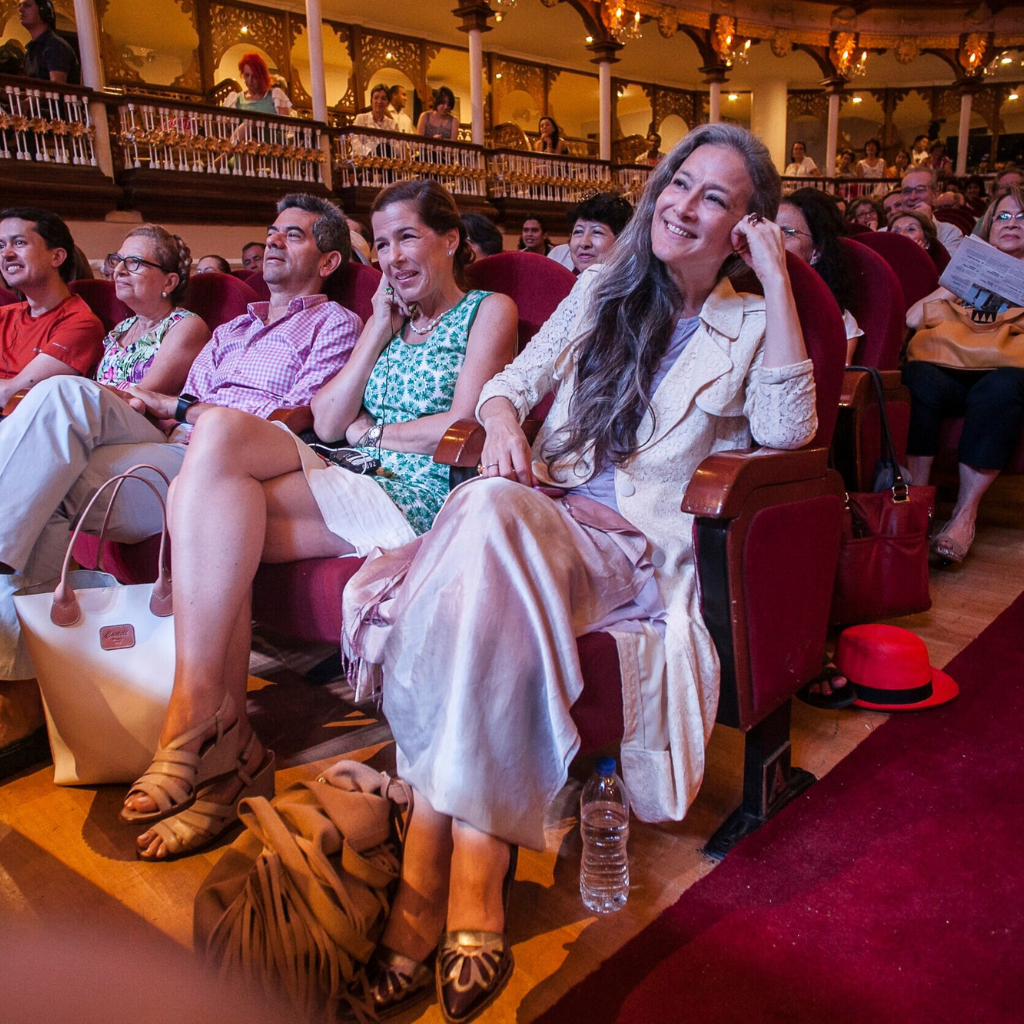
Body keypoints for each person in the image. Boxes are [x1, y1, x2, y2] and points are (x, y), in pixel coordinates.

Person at [338, 123, 817, 1023]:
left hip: (628, 548)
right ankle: (470, 885)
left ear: (743, 227)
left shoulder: (750, 321)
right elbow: (509, 383)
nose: (685, 205)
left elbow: (790, 433)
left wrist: (780, 277)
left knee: (480, 514)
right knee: (488, 533)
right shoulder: (600, 288)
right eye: (679, 182)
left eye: (716, 198)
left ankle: (424, 892)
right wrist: (507, 421)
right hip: (535, 515)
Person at [119, 180, 518, 864]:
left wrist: (379, 429)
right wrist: (379, 330)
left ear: (451, 241)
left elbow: (463, 425)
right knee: (210, 458)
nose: (392, 256)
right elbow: (332, 422)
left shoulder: (489, 309)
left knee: (203, 502)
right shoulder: (384, 317)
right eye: (383, 242)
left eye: (409, 237)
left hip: (414, 497)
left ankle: (205, 734)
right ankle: (217, 730)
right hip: (347, 468)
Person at [0, 195, 360, 755]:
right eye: (271, 231)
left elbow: (299, 418)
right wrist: (160, 406)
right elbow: (188, 397)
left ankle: (25, 683)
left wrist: (181, 411)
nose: (272, 241)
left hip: (227, 464)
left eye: (293, 235)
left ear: (330, 262)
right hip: (173, 443)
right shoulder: (233, 328)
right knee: (48, 434)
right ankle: (24, 676)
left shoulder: (335, 324)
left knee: (53, 434)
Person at [0, 223, 209, 776]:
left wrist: (84, 394)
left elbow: (146, 402)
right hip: (112, 445)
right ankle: (24, 690)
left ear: (169, 280)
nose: (119, 268)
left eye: (135, 262)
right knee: (38, 481)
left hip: (156, 439)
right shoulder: (116, 335)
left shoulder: (186, 326)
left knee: (62, 394)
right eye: (116, 259)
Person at [902, 185, 1024, 564]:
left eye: (1022, 217)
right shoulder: (962, 275)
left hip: (1007, 371)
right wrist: (958, 284)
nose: (1012, 224)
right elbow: (910, 318)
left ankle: (963, 516)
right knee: (920, 374)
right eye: (1002, 216)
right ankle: (916, 503)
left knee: (1004, 386)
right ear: (987, 229)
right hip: (952, 366)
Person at [0, 207, 104, 412]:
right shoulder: (4, 315)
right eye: (1, 245)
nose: (6, 253)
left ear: (57, 257)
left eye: (19, 242)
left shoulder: (81, 323)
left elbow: (12, 394)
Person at [777, 188, 863, 364]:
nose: (771, 240)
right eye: (769, 230)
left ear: (817, 251)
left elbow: (834, 388)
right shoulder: (736, 298)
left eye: (786, 233)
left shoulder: (836, 321)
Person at [552, 192, 634, 275]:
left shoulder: (632, 285)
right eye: (578, 232)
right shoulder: (564, 281)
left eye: (597, 232)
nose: (584, 243)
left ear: (623, 242)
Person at [901, 167, 964, 254]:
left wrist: (925, 226)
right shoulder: (885, 232)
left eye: (920, 190)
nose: (913, 197)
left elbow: (945, 266)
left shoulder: (951, 233)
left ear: (935, 195)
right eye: (907, 191)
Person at [19, 0, 78, 83]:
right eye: (20, 5)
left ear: (43, 11)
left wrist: (29, 96)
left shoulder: (56, 46)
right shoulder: (30, 50)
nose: (20, 9)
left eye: (27, 5)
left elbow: (57, 88)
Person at [222, 53, 292, 117]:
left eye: (254, 76)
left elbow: (285, 126)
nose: (250, 80)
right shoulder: (236, 100)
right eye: (247, 75)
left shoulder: (275, 96)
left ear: (261, 76)